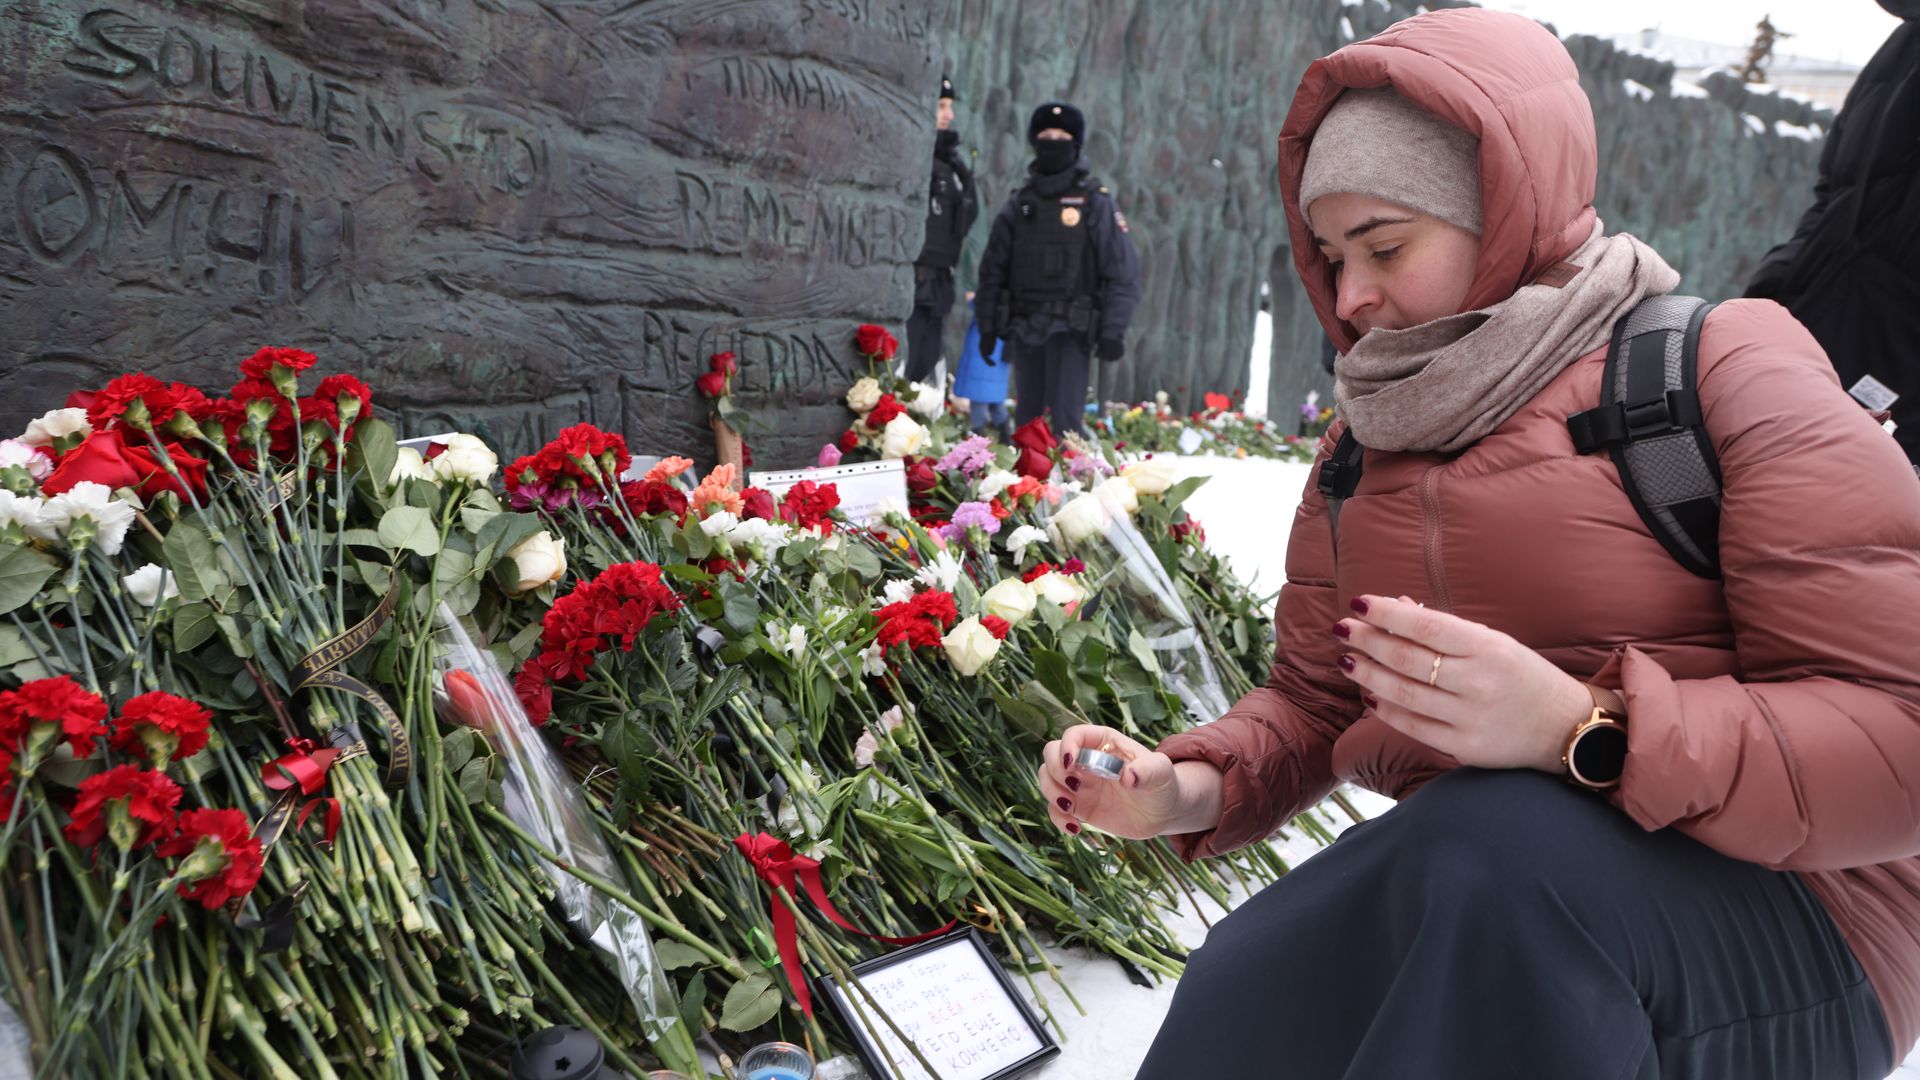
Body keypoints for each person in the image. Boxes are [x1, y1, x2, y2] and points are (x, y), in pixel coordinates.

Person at [1033, 9, 1920, 1078]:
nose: (1351, 298)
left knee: (1495, 860)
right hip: (1490, 901)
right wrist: (1186, 785)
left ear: (1503, 211)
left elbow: (1901, 728)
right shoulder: (1363, 447)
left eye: (1386, 248)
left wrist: (1582, 730)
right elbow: (1319, 702)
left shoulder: (1722, 369)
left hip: (1803, 923)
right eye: (1330, 257)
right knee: (1253, 974)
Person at [1746, 0, 1920, 465]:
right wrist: (1784, 275)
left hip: (1898, 381)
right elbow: (1834, 186)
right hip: (1812, 327)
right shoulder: (1904, 42)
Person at [976, 102, 1140, 437]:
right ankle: (1026, 490)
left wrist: (1113, 329)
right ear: (1034, 141)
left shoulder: (1094, 200)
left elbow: (1122, 272)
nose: (1053, 141)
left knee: (1067, 426)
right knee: (1026, 425)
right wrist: (987, 324)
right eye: (1046, 135)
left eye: (1062, 135)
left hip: (1071, 330)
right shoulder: (1019, 203)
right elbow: (993, 269)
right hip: (1025, 327)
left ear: (1076, 142)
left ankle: (1073, 488)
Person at [903, 75, 979, 386]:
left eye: (949, 106)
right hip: (908, 287)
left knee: (923, 379)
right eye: (941, 106)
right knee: (899, 377)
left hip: (936, 289)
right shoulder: (909, 156)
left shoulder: (954, 166)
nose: (949, 115)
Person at [951, 291, 1011, 439]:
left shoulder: (991, 298)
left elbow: (985, 304)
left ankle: (979, 443)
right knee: (996, 402)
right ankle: (1006, 439)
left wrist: (974, 299)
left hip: (984, 346)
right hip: (999, 350)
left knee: (979, 400)